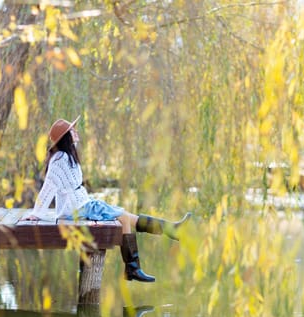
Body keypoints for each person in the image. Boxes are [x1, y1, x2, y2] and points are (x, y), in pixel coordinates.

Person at [24, 117, 191, 283]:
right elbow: (48, 188)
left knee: (126, 218)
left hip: (82, 205)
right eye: (72, 131)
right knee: (125, 217)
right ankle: (138, 263)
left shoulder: (66, 155)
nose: (76, 132)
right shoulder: (60, 160)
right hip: (78, 209)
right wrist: (37, 213)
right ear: (66, 138)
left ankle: (140, 260)